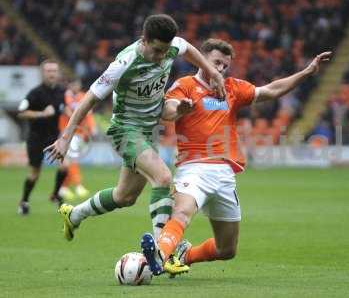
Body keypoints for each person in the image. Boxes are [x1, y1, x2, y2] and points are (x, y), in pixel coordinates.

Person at [44, 14, 225, 275]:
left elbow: (189, 49)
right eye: (156, 50)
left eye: (165, 51)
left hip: (148, 129)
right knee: (163, 178)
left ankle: (74, 215)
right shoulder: (124, 63)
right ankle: (167, 253)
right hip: (125, 130)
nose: (161, 56)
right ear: (144, 40)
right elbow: (88, 101)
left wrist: (211, 73)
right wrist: (66, 137)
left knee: (124, 196)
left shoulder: (173, 46)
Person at [140, 38, 331, 275]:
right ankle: (160, 253)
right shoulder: (186, 85)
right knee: (182, 211)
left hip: (225, 174)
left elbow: (270, 90)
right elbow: (168, 109)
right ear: (202, 59)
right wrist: (179, 109)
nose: (219, 69)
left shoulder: (232, 88)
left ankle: (184, 254)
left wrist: (307, 72)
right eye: (216, 63)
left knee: (227, 249)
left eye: (224, 66)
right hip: (194, 168)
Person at [17, 59, 68, 215]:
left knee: (65, 167)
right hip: (36, 138)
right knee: (34, 173)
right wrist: (41, 114)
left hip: (54, 138)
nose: (52, 73)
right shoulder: (35, 93)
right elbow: (21, 112)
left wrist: (71, 114)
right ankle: (24, 201)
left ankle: (54, 194)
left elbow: (62, 108)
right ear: (42, 73)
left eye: (54, 70)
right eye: (48, 71)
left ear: (58, 73)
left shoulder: (61, 91)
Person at [58, 78, 95, 201]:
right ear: (70, 85)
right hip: (67, 132)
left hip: (79, 133)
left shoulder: (84, 96)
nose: (76, 86)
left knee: (70, 160)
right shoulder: (63, 97)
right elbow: (67, 111)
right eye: (74, 84)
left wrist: (90, 129)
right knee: (71, 159)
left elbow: (89, 114)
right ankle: (78, 186)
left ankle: (63, 188)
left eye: (77, 84)